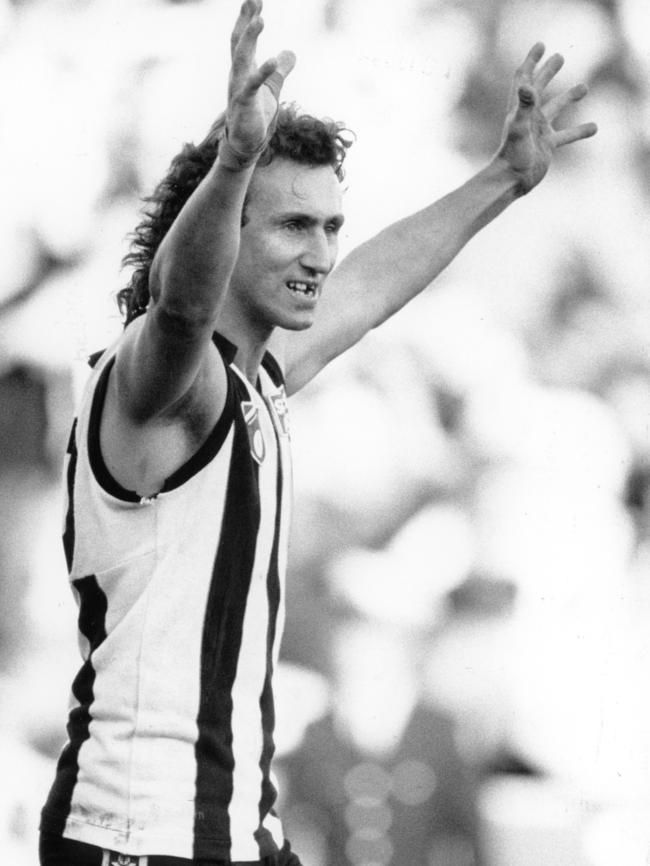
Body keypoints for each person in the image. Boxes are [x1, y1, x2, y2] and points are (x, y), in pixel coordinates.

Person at [39, 1, 597, 864]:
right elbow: (183, 304)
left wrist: (503, 179)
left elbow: (371, 289)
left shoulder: (254, 381)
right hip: (138, 838)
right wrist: (231, 163)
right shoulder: (159, 379)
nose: (323, 253)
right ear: (227, 231)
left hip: (232, 833)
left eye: (331, 225)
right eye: (296, 225)